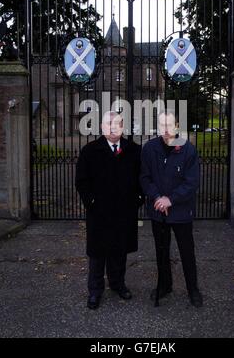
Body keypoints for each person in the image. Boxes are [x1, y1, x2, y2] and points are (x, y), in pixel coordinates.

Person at [75, 111, 143, 310]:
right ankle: (95, 291)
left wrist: (138, 199)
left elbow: (142, 177)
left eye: (117, 123)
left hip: (124, 211)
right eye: (109, 123)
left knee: (120, 251)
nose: (113, 127)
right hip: (99, 212)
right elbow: (81, 181)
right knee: (98, 254)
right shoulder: (90, 151)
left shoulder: (134, 150)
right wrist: (92, 202)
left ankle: (117, 284)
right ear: (102, 127)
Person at [140, 110, 203, 308]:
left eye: (169, 125)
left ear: (177, 126)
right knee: (161, 251)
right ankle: (165, 285)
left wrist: (171, 199)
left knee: (187, 252)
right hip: (158, 211)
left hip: (181, 212)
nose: (165, 130)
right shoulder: (149, 148)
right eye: (161, 126)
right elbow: (144, 178)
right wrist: (158, 198)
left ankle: (193, 289)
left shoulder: (188, 150)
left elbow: (191, 183)